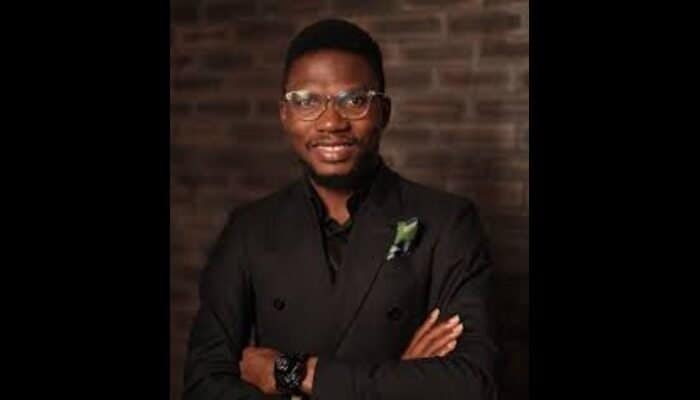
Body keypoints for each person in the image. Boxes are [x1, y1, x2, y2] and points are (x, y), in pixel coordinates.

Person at [183, 18, 498, 400]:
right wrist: (402, 379)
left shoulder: (446, 222)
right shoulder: (248, 229)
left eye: (354, 101)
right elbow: (204, 384)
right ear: (284, 114)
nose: (331, 122)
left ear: (384, 111)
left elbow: (471, 384)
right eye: (307, 101)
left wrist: (290, 373)